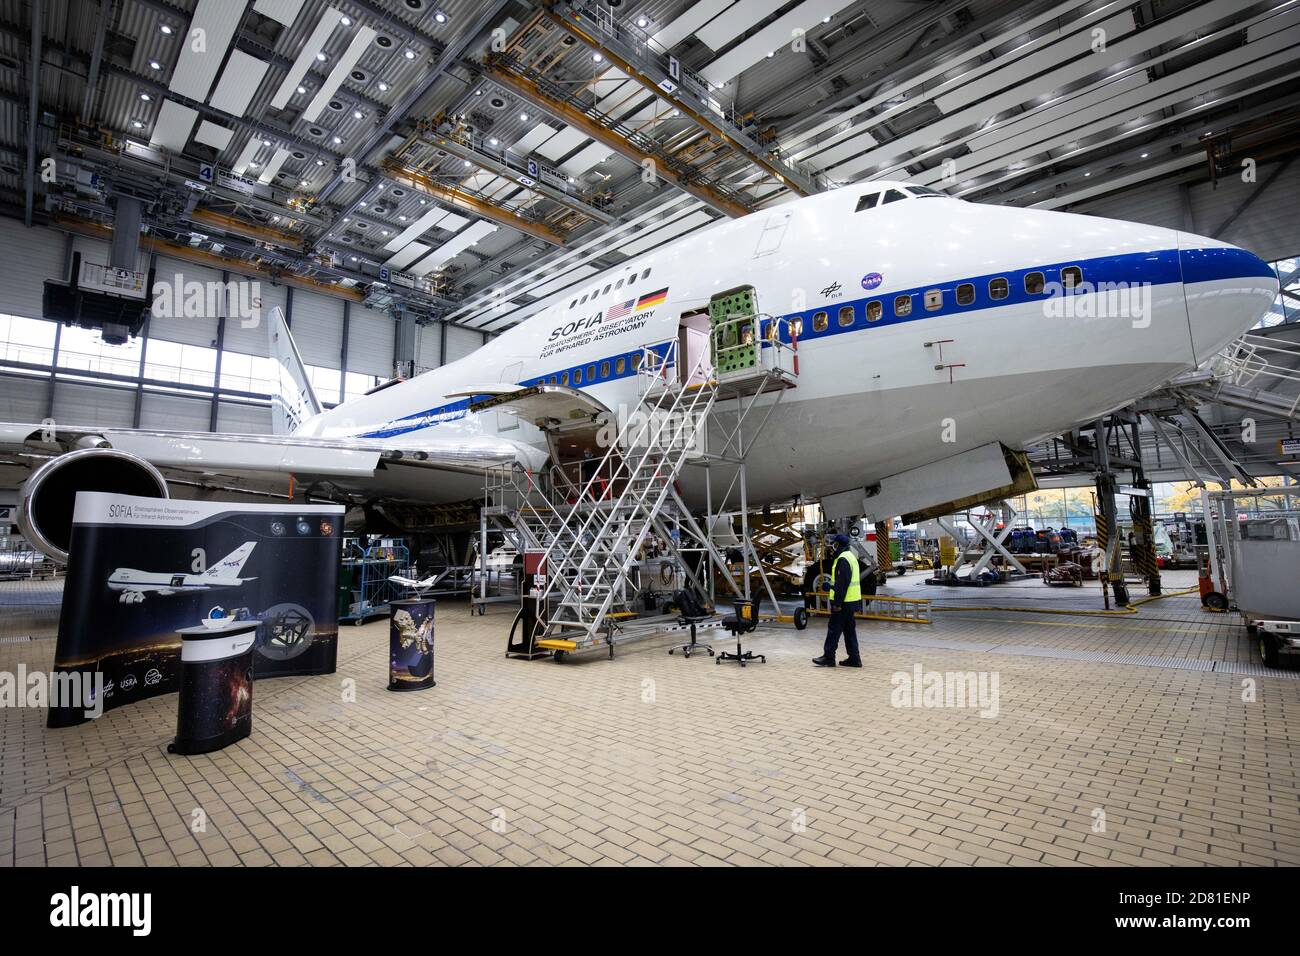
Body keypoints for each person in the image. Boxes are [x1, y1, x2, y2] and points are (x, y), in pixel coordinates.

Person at [812, 533, 862, 668]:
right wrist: (832, 586)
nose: (832, 547)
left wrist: (837, 604)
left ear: (838, 545)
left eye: (834, 544)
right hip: (851, 602)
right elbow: (844, 582)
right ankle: (854, 658)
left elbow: (842, 584)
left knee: (834, 629)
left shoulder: (843, 559)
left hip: (843, 603)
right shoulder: (851, 557)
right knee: (849, 631)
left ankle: (828, 657)